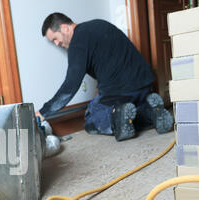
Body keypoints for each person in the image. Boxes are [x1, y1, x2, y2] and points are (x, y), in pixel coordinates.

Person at [36, 13, 174, 142]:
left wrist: (44, 111)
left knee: (91, 118)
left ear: (64, 28)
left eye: (55, 38)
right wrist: (99, 87)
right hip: (145, 84)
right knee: (119, 106)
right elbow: (110, 60)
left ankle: (118, 117)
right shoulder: (99, 24)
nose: (56, 44)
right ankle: (150, 112)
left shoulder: (77, 42)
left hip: (121, 93)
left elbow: (70, 85)